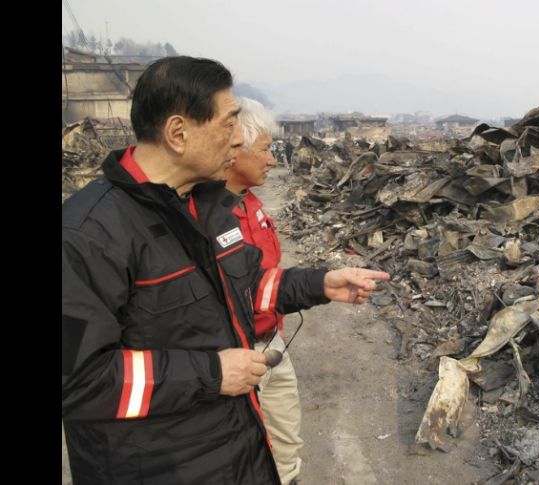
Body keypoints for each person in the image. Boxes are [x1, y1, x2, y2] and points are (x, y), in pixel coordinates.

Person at [62, 56, 389, 485]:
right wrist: (213, 374)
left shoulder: (205, 207)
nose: (239, 140)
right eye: (229, 122)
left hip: (234, 448)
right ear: (178, 133)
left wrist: (320, 283)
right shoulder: (86, 235)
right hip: (157, 468)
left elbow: (246, 286)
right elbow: (78, 382)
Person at [225, 97, 302, 485]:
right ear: (235, 148)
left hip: (272, 343)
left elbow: (266, 276)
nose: (272, 160)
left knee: (286, 438)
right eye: (266, 149)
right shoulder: (207, 215)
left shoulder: (251, 202)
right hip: (235, 356)